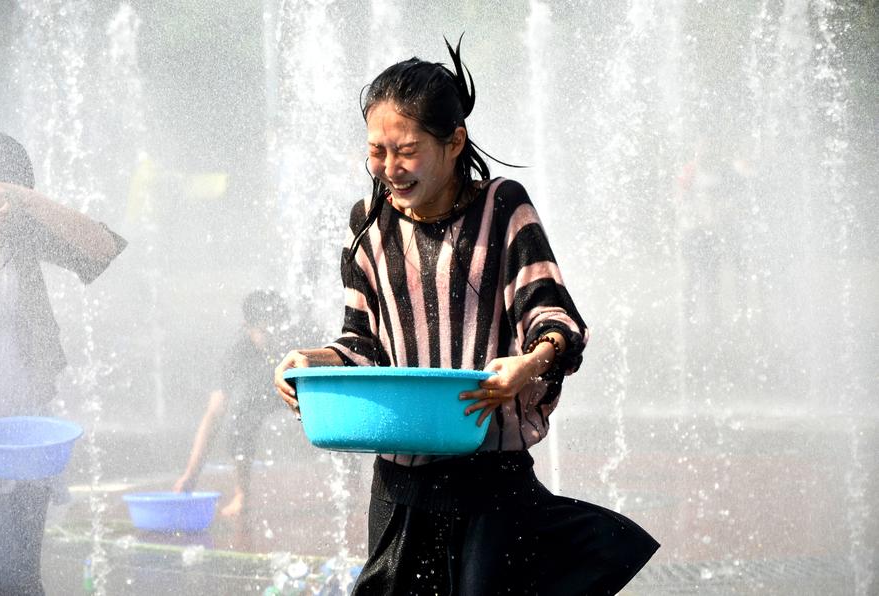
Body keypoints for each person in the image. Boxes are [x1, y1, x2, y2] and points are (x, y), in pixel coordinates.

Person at [273, 39, 659, 595]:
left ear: (454, 142)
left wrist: (529, 365)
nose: (388, 168)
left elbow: (554, 317)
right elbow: (363, 342)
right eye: (376, 151)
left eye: (405, 150)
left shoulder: (503, 207)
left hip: (489, 482)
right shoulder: (368, 221)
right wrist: (314, 363)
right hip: (399, 486)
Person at [0, 133, 126, 595]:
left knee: (14, 577)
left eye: (5, 198)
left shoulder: (22, 234)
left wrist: (28, 201)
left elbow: (103, 248)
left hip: (23, 435)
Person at [174, 290, 286, 517]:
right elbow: (214, 414)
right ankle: (242, 494)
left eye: (277, 328)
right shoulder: (237, 355)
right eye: (265, 331)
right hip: (266, 392)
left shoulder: (298, 339)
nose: (273, 337)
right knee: (242, 415)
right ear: (247, 327)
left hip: (299, 386)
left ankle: (352, 488)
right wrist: (191, 475)